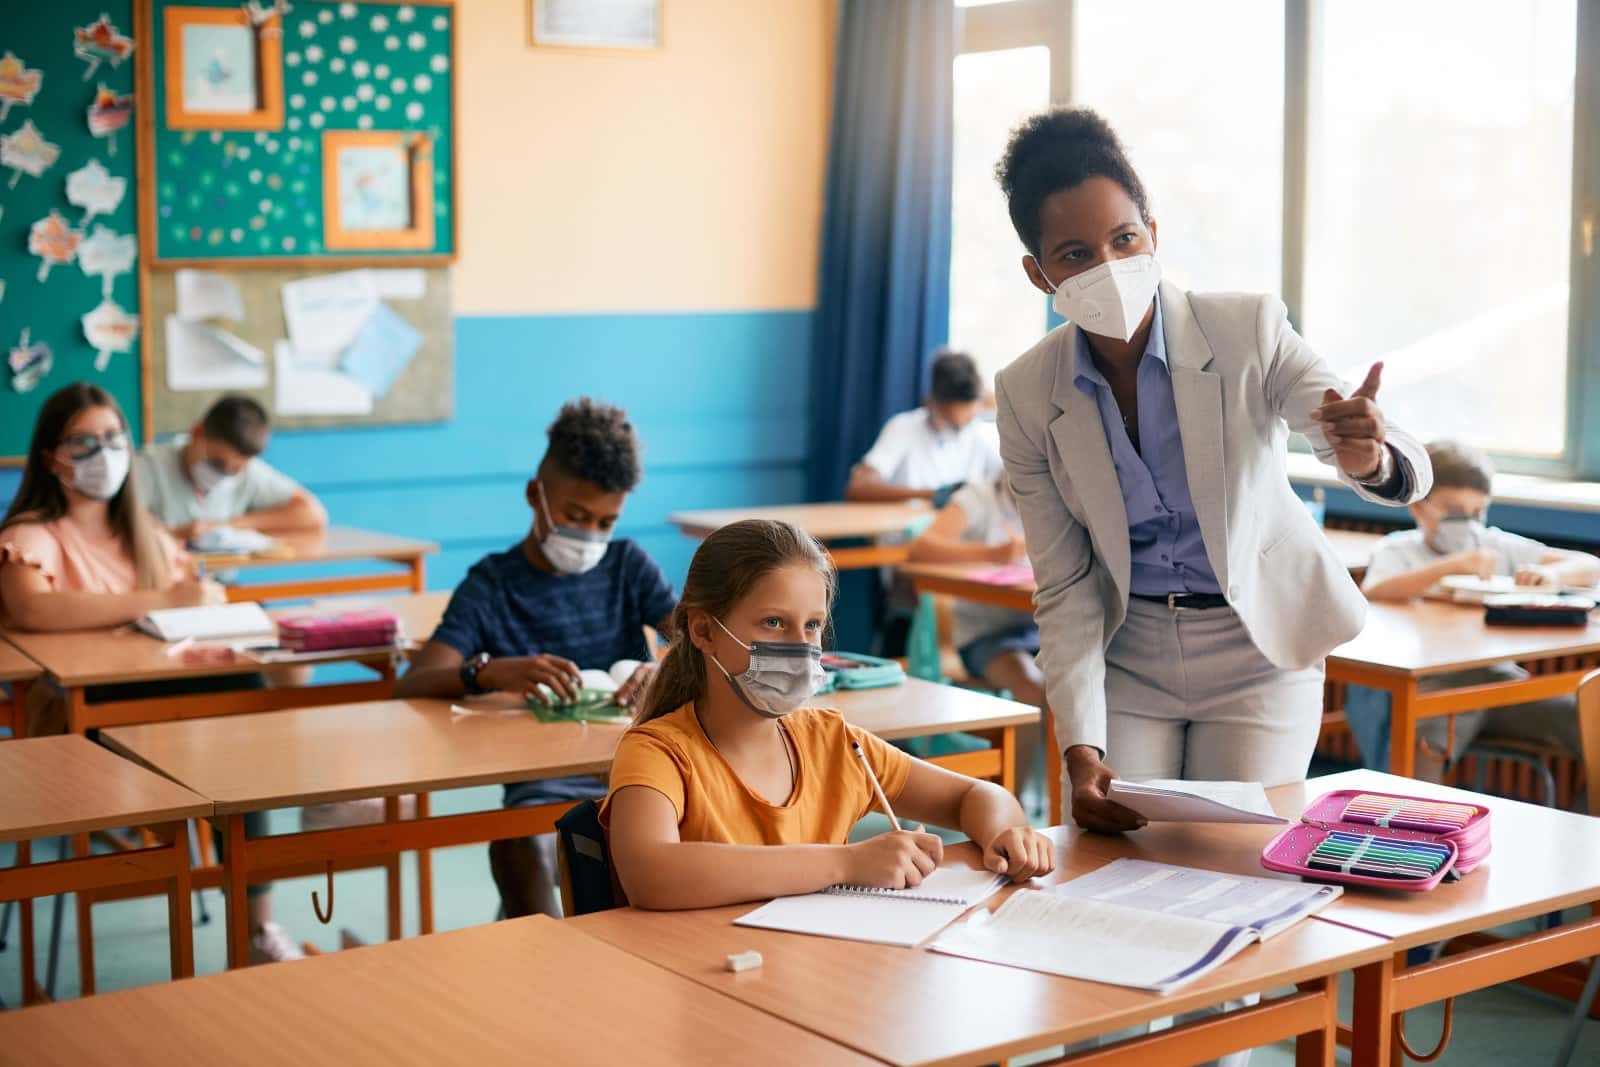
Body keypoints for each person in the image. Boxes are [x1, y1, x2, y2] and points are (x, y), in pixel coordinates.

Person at [991, 108, 1431, 828]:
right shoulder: (1026, 392)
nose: (1108, 267)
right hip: (1127, 654)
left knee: (1232, 855)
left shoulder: (1245, 328)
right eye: (1074, 254)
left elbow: (1346, 424)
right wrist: (1079, 744)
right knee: (1117, 858)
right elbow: (1066, 586)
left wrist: (1369, 456)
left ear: (1153, 235)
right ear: (1040, 275)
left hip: (1256, 643)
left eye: (1124, 238)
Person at [0, 382, 304, 963]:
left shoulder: (147, 535)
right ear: (50, 457)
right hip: (83, 726)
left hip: (169, 712)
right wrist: (159, 599)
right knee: (233, 739)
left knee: (247, 731)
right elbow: (33, 608)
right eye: (82, 442)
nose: (103, 453)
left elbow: (189, 591)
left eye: (113, 439)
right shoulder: (32, 535)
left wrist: (201, 599)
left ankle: (258, 930)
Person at [602, 519, 1053, 910]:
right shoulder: (659, 751)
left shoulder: (833, 741)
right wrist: (846, 862)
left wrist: (1006, 835)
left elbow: (978, 797)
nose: (800, 646)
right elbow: (650, 872)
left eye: (812, 625)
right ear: (703, 630)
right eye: (774, 623)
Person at [395, 398, 676, 918]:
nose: (590, 534)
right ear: (535, 496)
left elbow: (701, 640)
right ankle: (551, 964)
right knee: (518, 843)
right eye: (575, 516)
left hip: (638, 767)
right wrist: (486, 671)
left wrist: (664, 668)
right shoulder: (492, 584)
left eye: (605, 521)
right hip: (543, 781)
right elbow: (413, 684)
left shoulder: (627, 565)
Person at [1345, 440, 1595, 778]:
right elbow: (1375, 590)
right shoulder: (1398, 550)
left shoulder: (1492, 544)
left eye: (1476, 512)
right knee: (1423, 746)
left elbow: (1589, 565)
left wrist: (1551, 573)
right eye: (1453, 512)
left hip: (1497, 684)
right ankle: (1414, 820)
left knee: (1588, 721)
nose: (1467, 523)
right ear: (1419, 507)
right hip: (1431, 686)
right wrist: (1451, 566)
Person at [906, 474, 1045, 805]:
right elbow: (922, 548)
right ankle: (1013, 804)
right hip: (986, 636)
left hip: (1042, 628)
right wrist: (993, 553)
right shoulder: (980, 497)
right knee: (1032, 686)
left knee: (1089, 679)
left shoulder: (1060, 495)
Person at [134, 395, 326, 543]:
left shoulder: (249, 472)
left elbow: (312, 514)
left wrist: (227, 526)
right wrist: (175, 534)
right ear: (197, 433)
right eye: (217, 463)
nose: (222, 475)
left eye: (234, 471)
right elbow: (116, 528)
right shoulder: (148, 465)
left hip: (221, 584)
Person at [847, 349, 1001, 503]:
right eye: (949, 419)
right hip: (909, 522)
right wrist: (932, 495)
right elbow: (859, 488)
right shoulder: (903, 428)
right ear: (933, 403)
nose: (964, 423)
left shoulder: (980, 433)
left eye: (970, 416)